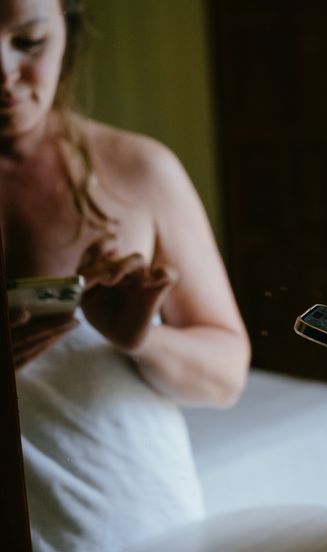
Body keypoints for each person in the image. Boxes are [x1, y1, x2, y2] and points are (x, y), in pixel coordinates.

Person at [0, 0, 250, 549]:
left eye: (28, 41)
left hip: (133, 520)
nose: (3, 73)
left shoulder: (140, 171)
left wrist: (144, 339)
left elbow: (226, 374)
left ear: (68, 22)